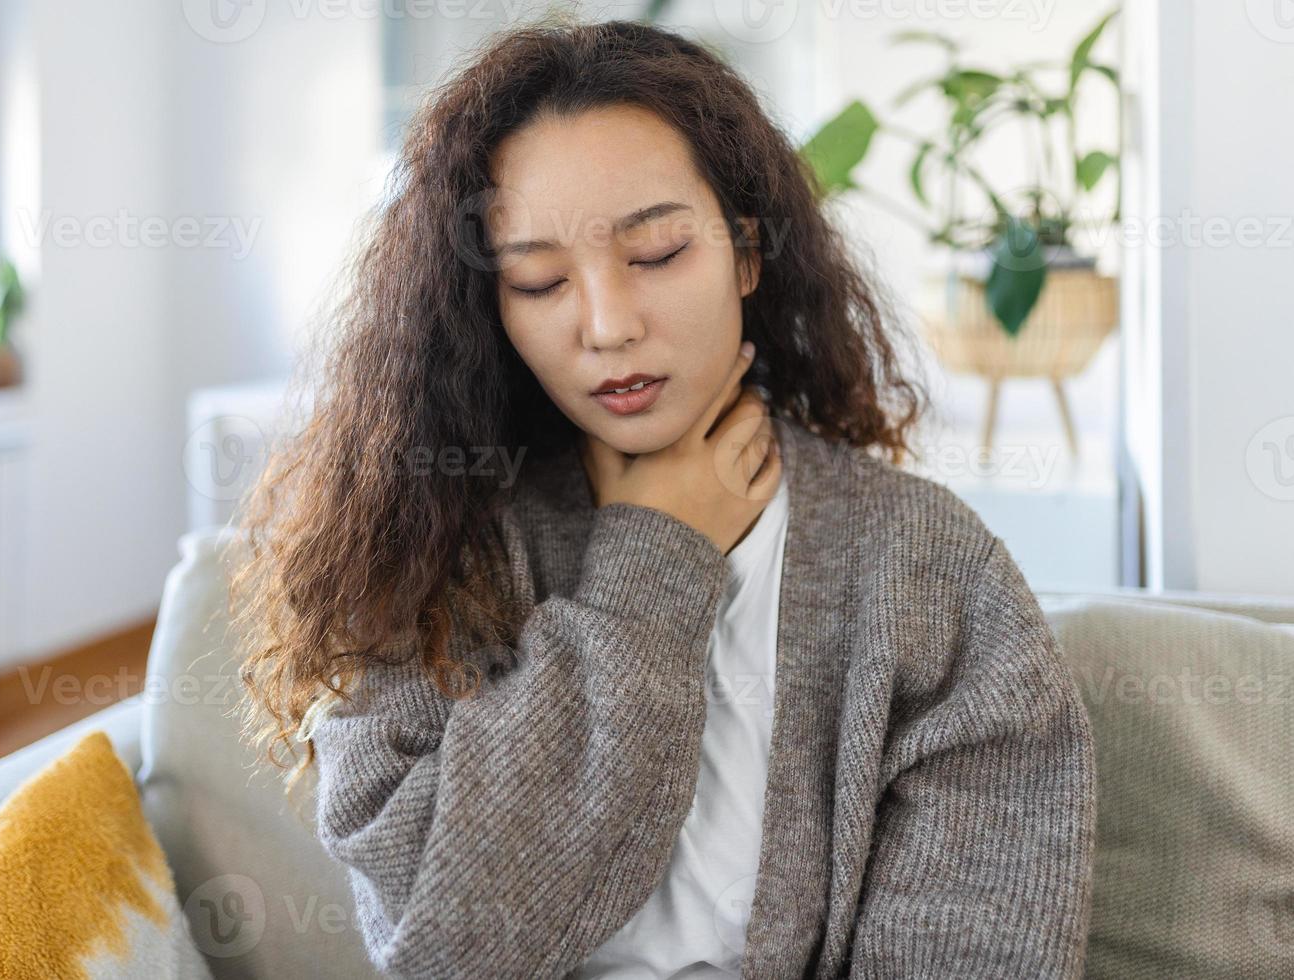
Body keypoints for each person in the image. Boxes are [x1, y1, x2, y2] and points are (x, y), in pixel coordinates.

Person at [229, 18, 1096, 979]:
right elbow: (449, 946)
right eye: (540, 278)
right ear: (490, 305)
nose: (607, 324)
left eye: (658, 254)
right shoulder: (430, 551)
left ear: (747, 254)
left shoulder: (926, 567)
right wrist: (657, 558)